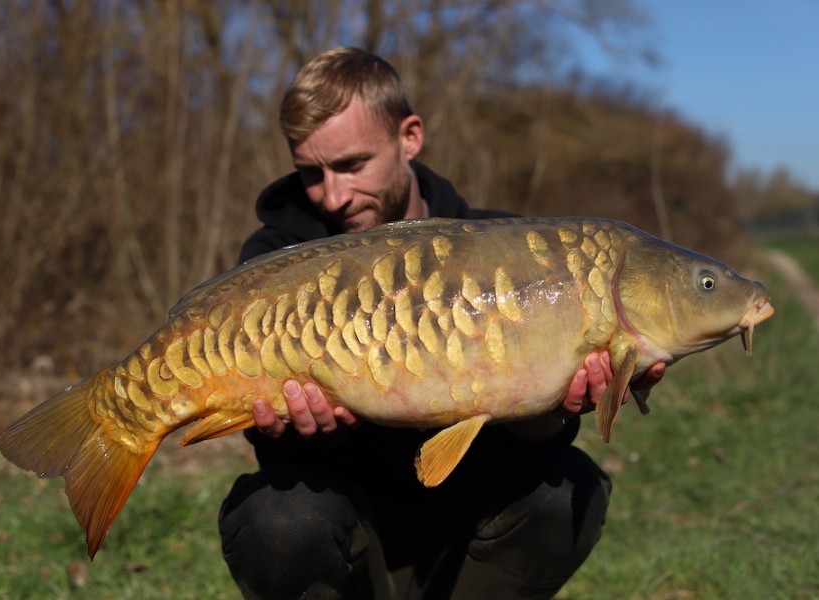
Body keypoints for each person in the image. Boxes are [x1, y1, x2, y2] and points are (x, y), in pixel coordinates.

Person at [218, 47, 665, 599]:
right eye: (311, 173)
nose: (333, 194)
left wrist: (552, 411)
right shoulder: (277, 258)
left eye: (352, 165)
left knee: (565, 487)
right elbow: (275, 456)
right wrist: (311, 431)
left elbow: (535, 446)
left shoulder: (515, 251)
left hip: (464, 537)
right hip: (350, 541)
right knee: (277, 518)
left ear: (410, 137)